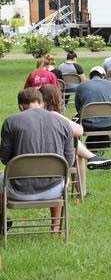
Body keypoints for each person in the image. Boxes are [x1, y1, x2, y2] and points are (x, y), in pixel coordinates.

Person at [0, 88, 74, 232]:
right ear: (42, 103)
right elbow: (68, 162)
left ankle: (2, 223)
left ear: (21, 106)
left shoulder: (11, 122)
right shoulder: (63, 122)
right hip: (55, 190)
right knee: (61, 176)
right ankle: (56, 227)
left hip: (18, 190)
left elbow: (5, 159)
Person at [39, 84, 111, 194]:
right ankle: (83, 188)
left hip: (30, 157)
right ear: (55, 99)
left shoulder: (28, 117)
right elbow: (79, 130)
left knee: (77, 154)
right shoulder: (53, 115)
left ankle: (91, 161)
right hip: (54, 157)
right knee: (74, 144)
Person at [74, 66, 111, 132]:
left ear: (90, 76)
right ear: (103, 76)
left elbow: (78, 107)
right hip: (109, 124)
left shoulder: (81, 86)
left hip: (87, 124)